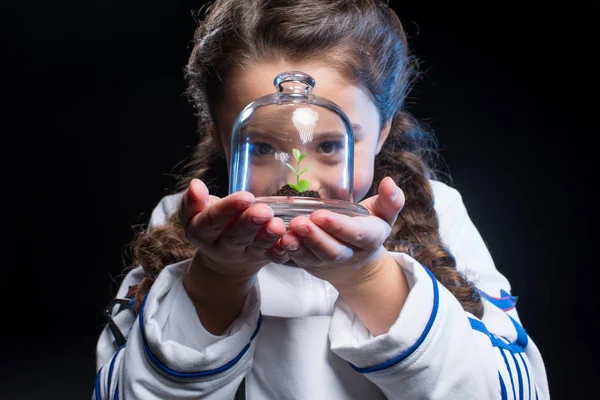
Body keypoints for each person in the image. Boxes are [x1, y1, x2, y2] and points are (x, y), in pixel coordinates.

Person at [93, 0, 550, 398]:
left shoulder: (439, 211)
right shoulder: (179, 221)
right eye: (265, 148)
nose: (299, 182)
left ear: (382, 132)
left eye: (330, 146)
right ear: (220, 139)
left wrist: (368, 274)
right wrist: (217, 276)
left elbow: (515, 391)